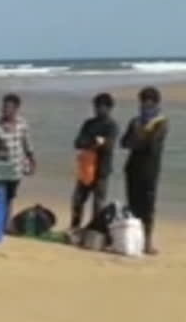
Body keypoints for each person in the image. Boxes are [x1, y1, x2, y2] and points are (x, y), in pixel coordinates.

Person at [121, 86, 168, 255]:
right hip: (132, 168)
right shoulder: (135, 121)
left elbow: (152, 146)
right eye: (142, 103)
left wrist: (137, 139)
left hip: (150, 170)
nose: (144, 106)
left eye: (148, 103)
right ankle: (134, 240)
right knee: (133, 205)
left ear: (155, 103)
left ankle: (147, 242)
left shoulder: (161, 122)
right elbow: (123, 142)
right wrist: (138, 138)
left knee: (147, 206)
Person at [70, 92, 119, 229]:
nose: (97, 109)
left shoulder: (112, 126)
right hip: (85, 170)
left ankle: (94, 231)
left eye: (101, 106)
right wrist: (95, 142)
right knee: (77, 200)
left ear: (109, 108)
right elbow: (77, 143)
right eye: (96, 106)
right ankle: (75, 227)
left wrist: (94, 143)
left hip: (102, 170)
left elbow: (108, 146)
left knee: (98, 204)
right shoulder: (88, 123)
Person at [0, 93, 36, 225]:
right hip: (1, 168)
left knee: (10, 196)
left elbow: (27, 144)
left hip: (17, 167)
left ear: (16, 108)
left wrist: (32, 162)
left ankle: (6, 222)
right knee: (0, 195)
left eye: (8, 107)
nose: (5, 110)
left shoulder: (22, 124)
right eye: (4, 107)